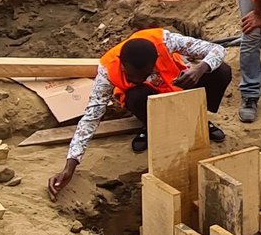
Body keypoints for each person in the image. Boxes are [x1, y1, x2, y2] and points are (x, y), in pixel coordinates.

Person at [46, 28, 231, 199]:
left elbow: (218, 49)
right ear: (123, 66)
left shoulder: (165, 41)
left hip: (178, 88)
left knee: (221, 71)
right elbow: (91, 116)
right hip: (145, 99)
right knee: (136, 95)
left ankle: (198, 119)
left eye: (145, 74)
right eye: (133, 77)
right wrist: (70, 165)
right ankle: (149, 126)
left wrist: (200, 69)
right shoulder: (107, 70)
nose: (140, 79)